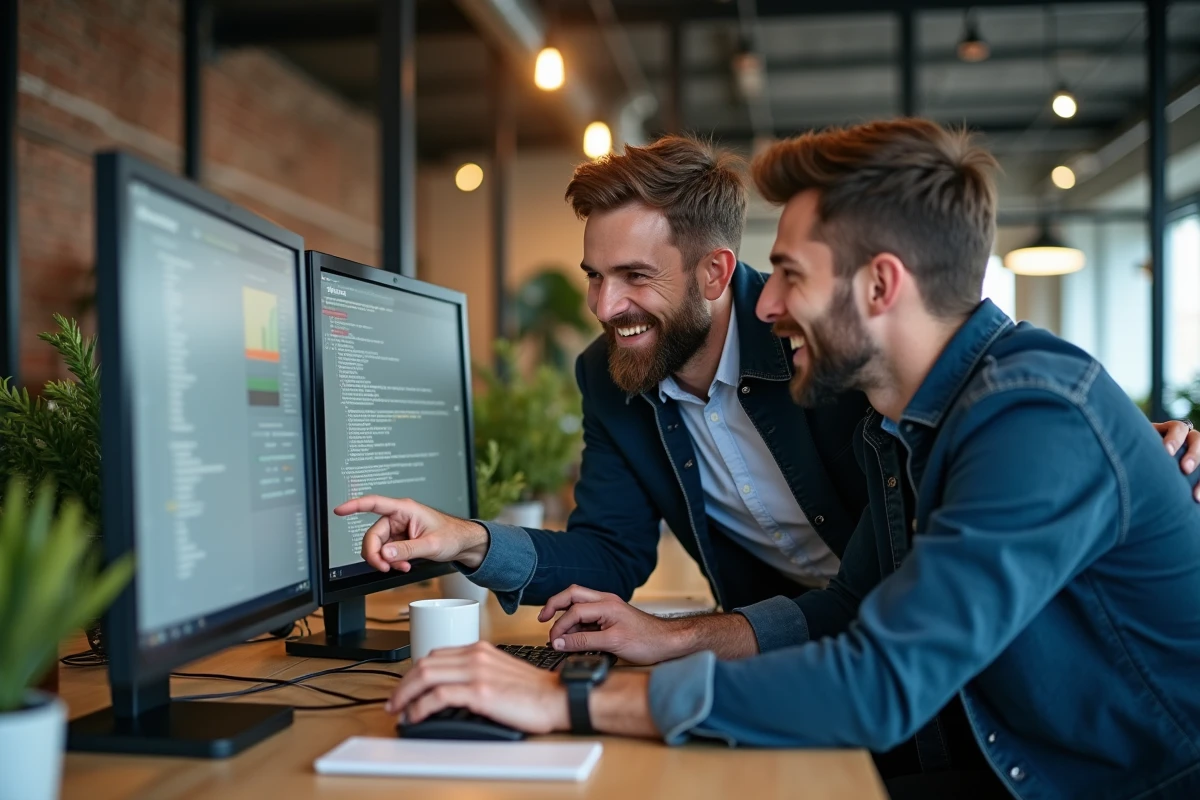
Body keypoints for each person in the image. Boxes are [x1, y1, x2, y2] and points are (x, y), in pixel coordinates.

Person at [377, 120, 1200, 800]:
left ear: (880, 287)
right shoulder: (914, 417)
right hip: (996, 747)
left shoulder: (1019, 417)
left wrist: (571, 698)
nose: (766, 306)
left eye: (790, 275)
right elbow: (854, 611)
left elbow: (875, 675)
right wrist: (486, 552)